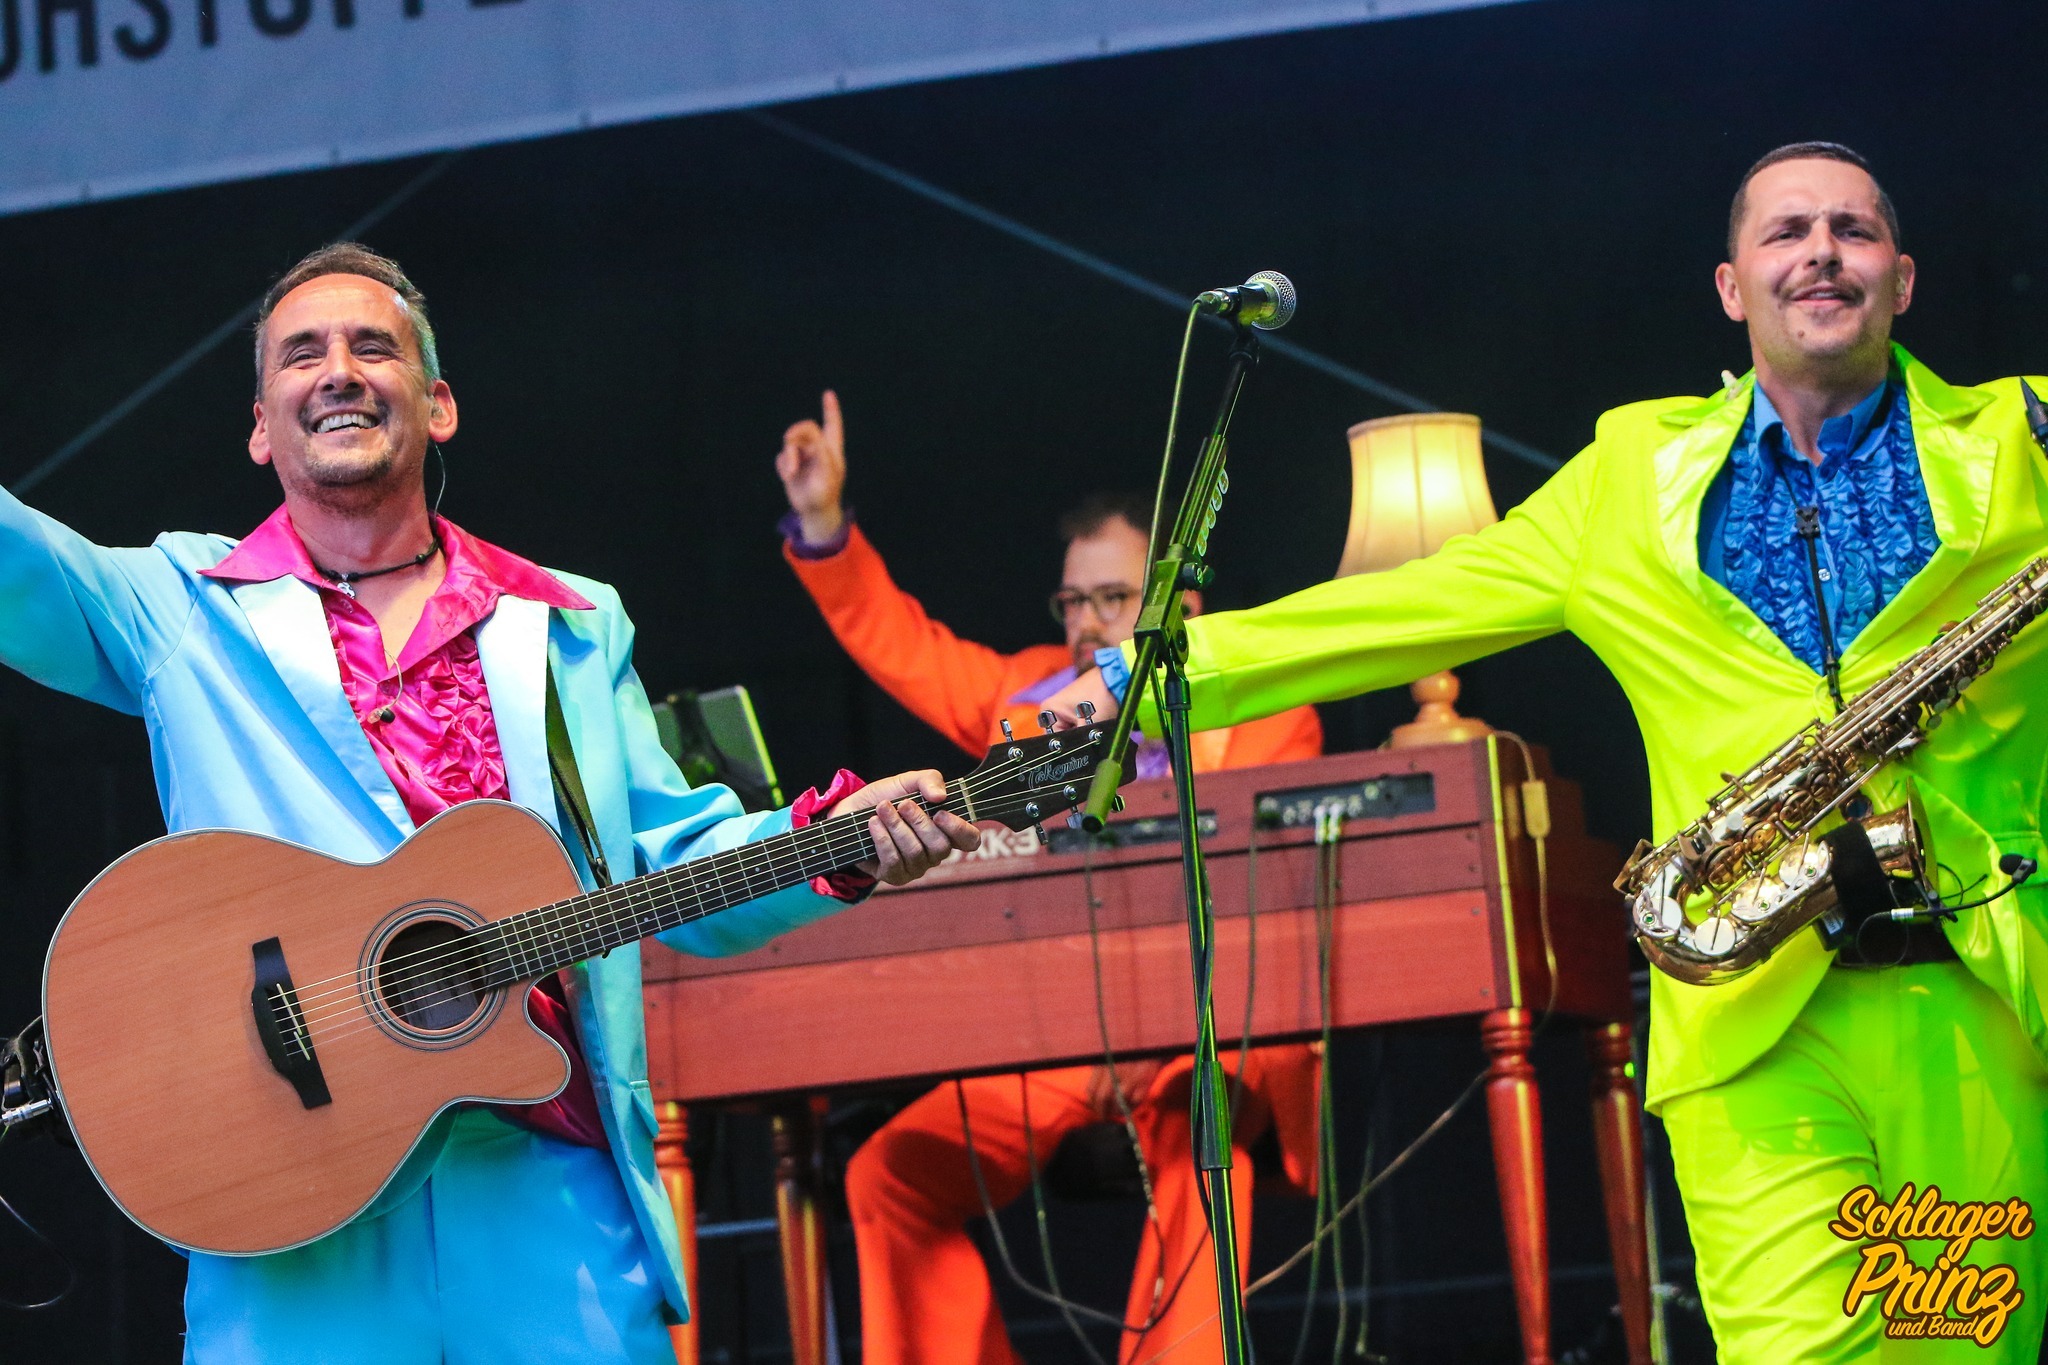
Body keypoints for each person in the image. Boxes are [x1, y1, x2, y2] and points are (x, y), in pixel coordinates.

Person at [1047, 142, 2048, 1362]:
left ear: (1902, 276)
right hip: (1750, 1020)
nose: (1820, 254)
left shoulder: (2022, 439)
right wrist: (1143, 677)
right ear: (1730, 286)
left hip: (1974, 996)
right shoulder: (1630, 476)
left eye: (1852, 229)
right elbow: (1404, 607)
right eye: (1785, 232)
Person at [0, 243, 979, 1364]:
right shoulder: (183, 606)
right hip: (293, 1196)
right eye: (302, 354)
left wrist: (833, 844)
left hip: (545, 1189)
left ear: (439, 404)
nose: (339, 370)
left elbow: (665, 863)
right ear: (261, 427)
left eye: (373, 346)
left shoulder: (566, 624)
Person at [774, 392, 1322, 1365]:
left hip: (1200, 1031)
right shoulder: (1028, 691)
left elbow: (1264, 904)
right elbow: (904, 646)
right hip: (1050, 1035)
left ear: (1178, 602)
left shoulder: (1266, 710)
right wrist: (822, 527)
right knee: (888, 1171)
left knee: (1206, 1143)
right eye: (1072, 602)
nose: (1084, 624)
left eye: (1110, 599)